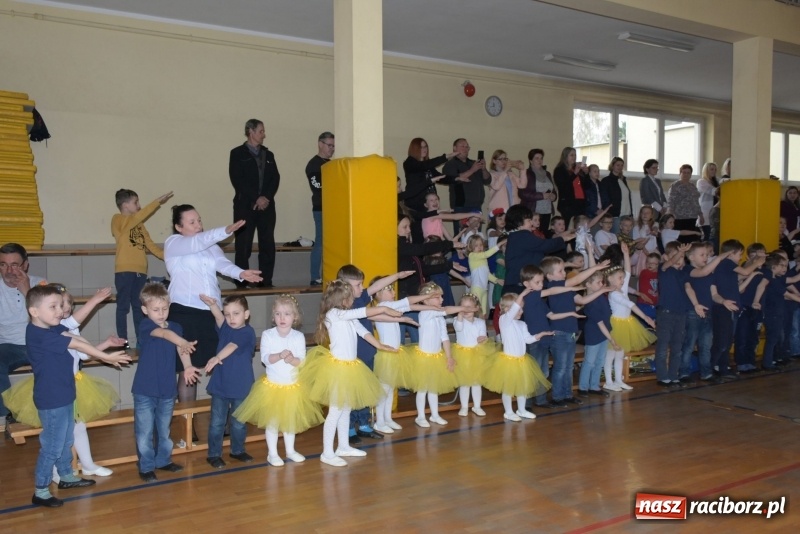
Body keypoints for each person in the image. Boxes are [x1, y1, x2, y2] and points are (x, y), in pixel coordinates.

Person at [2, 285, 125, 481]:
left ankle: (72, 472)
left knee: (69, 435)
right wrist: (106, 357)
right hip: (52, 396)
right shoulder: (40, 334)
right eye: (54, 306)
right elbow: (74, 342)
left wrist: (104, 348)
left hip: (66, 391)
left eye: (62, 306)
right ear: (34, 311)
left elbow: (75, 338)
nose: (60, 311)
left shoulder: (52, 328)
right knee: (54, 443)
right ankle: (44, 484)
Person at [164, 205, 261, 411]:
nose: (198, 225)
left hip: (211, 312)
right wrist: (226, 230)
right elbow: (200, 241)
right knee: (186, 369)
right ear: (178, 227)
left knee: (219, 362)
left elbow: (223, 264)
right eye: (192, 222)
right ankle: (188, 427)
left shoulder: (211, 246)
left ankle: (225, 420)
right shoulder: (173, 243)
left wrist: (241, 274)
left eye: (199, 220)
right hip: (185, 312)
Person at [301, 280, 397, 467]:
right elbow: (362, 312)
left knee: (345, 407)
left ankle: (343, 445)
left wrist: (378, 344)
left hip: (351, 366)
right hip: (338, 369)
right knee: (336, 410)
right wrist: (384, 310)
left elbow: (362, 330)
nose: (353, 301)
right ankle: (327, 453)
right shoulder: (334, 314)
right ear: (342, 299)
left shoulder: (346, 315)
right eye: (350, 298)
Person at [234, 295, 323, 467]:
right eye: (278, 314)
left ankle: (290, 450)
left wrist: (291, 360)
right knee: (273, 422)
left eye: (287, 314)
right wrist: (279, 355)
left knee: (290, 421)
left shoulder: (298, 337)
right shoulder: (268, 335)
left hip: (292, 387)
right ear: (273, 317)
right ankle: (272, 453)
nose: (282, 318)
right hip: (273, 387)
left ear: (295, 317)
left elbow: (302, 362)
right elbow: (266, 359)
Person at [338, 266, 415, 442]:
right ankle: (350, 428)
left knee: (366, 391)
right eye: (358, 285)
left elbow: (376, 285)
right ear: (345, 287)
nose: (362, 288)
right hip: (353, 357)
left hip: (368, 353)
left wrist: (397, 275)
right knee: (353, 393)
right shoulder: (345, 306)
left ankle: (364, 424)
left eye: (361, 284)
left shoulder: (361, 298)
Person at [133, 282, 200, 482]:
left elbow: (182, 349)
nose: (161, 313)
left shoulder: (176, 327)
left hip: (167, 390)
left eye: (165, 308)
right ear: (145, 310)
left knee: (164, 429)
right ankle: (146, 466)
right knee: (144, 432)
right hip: (145, 390)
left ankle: (163, 460)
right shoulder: (146, 326)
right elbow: (164, 334)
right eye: (156, 310)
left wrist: (187, 366)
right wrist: (181, 341)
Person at [540, 255, 609, 406]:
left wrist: (602, 290)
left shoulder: (567, 290)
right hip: (559, 333)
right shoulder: (553, 288)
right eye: (560, 271)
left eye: (563, 270)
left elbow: (583, 301)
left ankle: (567, 394)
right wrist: (596, 268)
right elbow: (576, 280)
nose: (563, 273)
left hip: (570, 332)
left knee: (569, 366)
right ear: (549, 276)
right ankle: (558, 397)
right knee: (560, 367)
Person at [405, 282, 475, 428]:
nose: (441, 299)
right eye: (437, 297)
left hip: (436, 356)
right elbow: (446, 309)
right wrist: (463, 308)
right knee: (422, 388)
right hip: (424, 357)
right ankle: (420, 416)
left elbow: (445, 338)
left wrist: (449, 357)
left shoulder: (439, 318)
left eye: (441, 297)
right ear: (426, 300)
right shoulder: (426, 313)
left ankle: (435, 414)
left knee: (433, 387)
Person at [199, 295, 256, 469]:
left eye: (236, 314)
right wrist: (213, 305)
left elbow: (232, 346)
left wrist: (217, 357)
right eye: (228, 314)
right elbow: (218, 317)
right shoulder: (225, 328)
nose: (231, 318)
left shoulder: (247, 332)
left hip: (241, 386)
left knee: (238, 423)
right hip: (221, 386)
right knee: (217, 422)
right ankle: (214, 454)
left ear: (246, 314)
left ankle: (237, 450)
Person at [370, 277, 432, 433]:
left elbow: (409, 306)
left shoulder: (391, 306)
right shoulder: (384, 306)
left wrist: (428, 307)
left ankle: (387, 418)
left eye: (393, 288)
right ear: (378, 293)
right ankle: (379, 421)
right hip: (387, 354)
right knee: (384, 388)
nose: (393, 291)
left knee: (391, 388)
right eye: (389, 289)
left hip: (396, 352)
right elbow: (408, 302)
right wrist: (426, 297)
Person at [112, 189, 172, 344]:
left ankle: (141, 339)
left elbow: (151, 246)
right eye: (135, 202)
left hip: (140, 272)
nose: (139, 205)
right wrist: (156, 202)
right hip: (124, 271)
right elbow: (135, 218)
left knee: (139, 307)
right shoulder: (117, 219)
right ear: (125, 205)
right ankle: (122, 341)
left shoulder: (140, 225)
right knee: (123, 307)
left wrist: (172, 257)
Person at [484, 290, 551, 421]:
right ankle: (508, 412)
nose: (521, 311)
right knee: (508, 388)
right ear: (508, 309)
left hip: (522, 360)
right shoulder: (504, 320)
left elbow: (528, 339)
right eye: (519, 309)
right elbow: (513, 309)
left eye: (522, 309)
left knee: (523, 387)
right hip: (508, 361)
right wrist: (523, 293)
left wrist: (540, 335)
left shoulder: (522, 324)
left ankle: (522, 410)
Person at [229, 118, 281, 287]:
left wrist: (266, 197)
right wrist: (255, 198)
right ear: (250, 132)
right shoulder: (237, 153)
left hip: (266, 207)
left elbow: (275, 178)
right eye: (261, 131)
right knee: (244, 244)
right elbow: (238, 180)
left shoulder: (269, 155)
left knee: (267, 244)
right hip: (245, 206)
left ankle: (265, 281)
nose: (264, 135)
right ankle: (242, 281)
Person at [0, 243, 46, 423]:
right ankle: (8, 416)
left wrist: (27, 290)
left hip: (39, 342)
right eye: (3, 264)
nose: (9, 270)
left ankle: (64, 410)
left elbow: (49, 321)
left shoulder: (41, 284)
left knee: (69, 355)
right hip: (9, 346)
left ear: (25, 265)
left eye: (15, 265)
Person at [604, 243, 657, 391]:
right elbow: (630, 305)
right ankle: (608, 382)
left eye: (622, 278)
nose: (623, 280)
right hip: (616, 325)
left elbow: (627, 271)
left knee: (620, 354)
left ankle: (619, 380)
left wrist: (626, 254)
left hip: (627, 323)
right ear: (611, 280)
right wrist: (646, 318)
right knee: (611, 355)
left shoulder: (623, 289)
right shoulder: (613, 293)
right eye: (619, 278)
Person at [709, 240, 761, 380]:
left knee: (727, 341)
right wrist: (757, 263)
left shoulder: (728, 269)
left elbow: (741, 276)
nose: (740, 258)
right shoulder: (726, 263)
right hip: (722, 307)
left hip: (730, 307)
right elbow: (744, 271)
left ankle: (723, 368)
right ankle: (709, 369)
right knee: (722, 341)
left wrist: (752, 271)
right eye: (739, 254)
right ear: (731, 253)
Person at [501, 204, 575, 295]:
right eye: (529, 221)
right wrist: (563, 239)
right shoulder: (521, 235)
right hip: (518, 286)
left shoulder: (517, 236)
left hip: (519, 284)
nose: (531, 223)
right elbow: (544, 245)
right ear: (519, 222)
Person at [652, 242, 692, 387]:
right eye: (676, 255)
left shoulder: (683, 273)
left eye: (682, 256)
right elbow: (670, 262)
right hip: (666, 313)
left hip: (681, 313)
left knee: (677, 347)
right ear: (666, 257)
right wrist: (679, 253)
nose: (680, 258)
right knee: (663, 346)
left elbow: (688, 289)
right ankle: (662, 376)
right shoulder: (664, 270)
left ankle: (674, 374)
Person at [452, 293, 496, 417]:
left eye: (469, 307)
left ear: (476, 308)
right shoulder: (457, 320)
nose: (466, 310)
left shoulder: (480, 322)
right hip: (462, 354)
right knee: (465, 382)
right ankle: (464, 406)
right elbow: (459, 328)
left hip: (477, 354)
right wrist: (460, 314)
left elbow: (483, 336)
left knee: (477, 382)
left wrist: (483, 338)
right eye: (463, 307)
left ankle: (477, 406)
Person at [576, 270, 615, 397]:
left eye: (602, 282)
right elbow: (599, 323)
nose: (601, 285)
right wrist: (611, 339)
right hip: (595, 334)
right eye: (598, 282)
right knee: (590, 361)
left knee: (600, 361)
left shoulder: (601, 297)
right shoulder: (590, 303)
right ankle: (583, 387)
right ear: (588, 284)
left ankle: (594, 385)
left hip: (603, 333)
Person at [305, 132, 335, 286]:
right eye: (329, 145)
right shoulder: (314, 164)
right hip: (321, 208)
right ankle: (315, 276)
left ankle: (329, 274)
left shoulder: (331, 164)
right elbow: (318, 187)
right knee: (321, 242)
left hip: (333, 208)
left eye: (333, 146)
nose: (332, 149)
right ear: (320, 144)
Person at [402, 138, 456, 213]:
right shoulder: (409, 163)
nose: (424, 149)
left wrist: (456, 178)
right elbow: (423, 166)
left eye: (425, 146)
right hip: (416, 203)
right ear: (414, 149)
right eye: (421, 147)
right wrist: (446, 157)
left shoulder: (427, 163)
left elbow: (439, 177)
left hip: (430, 202)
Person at [441, 138, 490, 217]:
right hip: (461, 206)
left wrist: (484, 169)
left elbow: (487, 180)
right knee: (462, 229)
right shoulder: (450, 164)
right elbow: (453, 179)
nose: (465, 149)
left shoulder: (473, 163)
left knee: (476, 230)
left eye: (467, 147)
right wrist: (472, 170)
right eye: (462, 146)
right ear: (454, 148)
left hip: (477, 206)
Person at [518, 148, 557, 230]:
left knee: (543, 236)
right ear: (531, 161)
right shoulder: (526, 174)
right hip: (533, 211)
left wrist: (554, 196)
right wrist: (541, 196)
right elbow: (522, 193)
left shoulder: (547, 174)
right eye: (537, 158)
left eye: (541, 158)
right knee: (533, 236)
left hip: (547, 210)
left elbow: (553, 189)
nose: (540, 160)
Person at [466, 235, 504, 316]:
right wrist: (498, 245)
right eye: (476, 245)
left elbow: (487, 274)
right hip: (476, 288)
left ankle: (482, 326)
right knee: (476, 311)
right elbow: (486, 254)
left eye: (481, 245)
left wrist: (497, 280)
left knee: (483, 313)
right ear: (470, 247)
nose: (479, 247)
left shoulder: (483, 258)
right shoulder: (472, 255)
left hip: (484, 289)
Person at [553, 147, 587, 230]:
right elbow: (564, 187)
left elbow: (586, 186)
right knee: (569, 228)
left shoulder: (577, 169)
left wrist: (586, 174)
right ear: (565, 157)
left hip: (580, 203)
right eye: (571, 155)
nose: (574, 157)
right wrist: (574, 174)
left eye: (575, 155)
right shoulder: (559, 170)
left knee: (581, 229)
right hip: (568, 204)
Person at [667, 164, 703, 244]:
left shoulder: (693, 186)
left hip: (692, 217)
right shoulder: (675, 185)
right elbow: (671, 201)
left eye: (688, 173)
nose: (686, 174)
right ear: (680, 174)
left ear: (691, 174)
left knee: (691, 239)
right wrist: (670, 215)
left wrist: (701, 215)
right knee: (681, 239)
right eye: (684, 172)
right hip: (679, 218)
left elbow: (696, 201)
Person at [601, 157, 633, 234]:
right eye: (618, 165)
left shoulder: (623, 180)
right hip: (615, 215)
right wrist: (609, 211)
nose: (620, 167)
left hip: (626, 214)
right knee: (616, 237)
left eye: (622, 165)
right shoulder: (606, 180)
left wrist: (631, 214)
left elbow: (627, 197)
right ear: (612, 166)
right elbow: (604, 198)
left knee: (628, 238)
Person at [697, 162, 720, 240]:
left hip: (716, 212)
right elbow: (714, 191)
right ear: (706, 170)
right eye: (711, 169)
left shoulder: (717, 181)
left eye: (715, 170)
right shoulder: (701, 182)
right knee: (708, 236)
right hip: (706, 213)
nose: (714, 171)